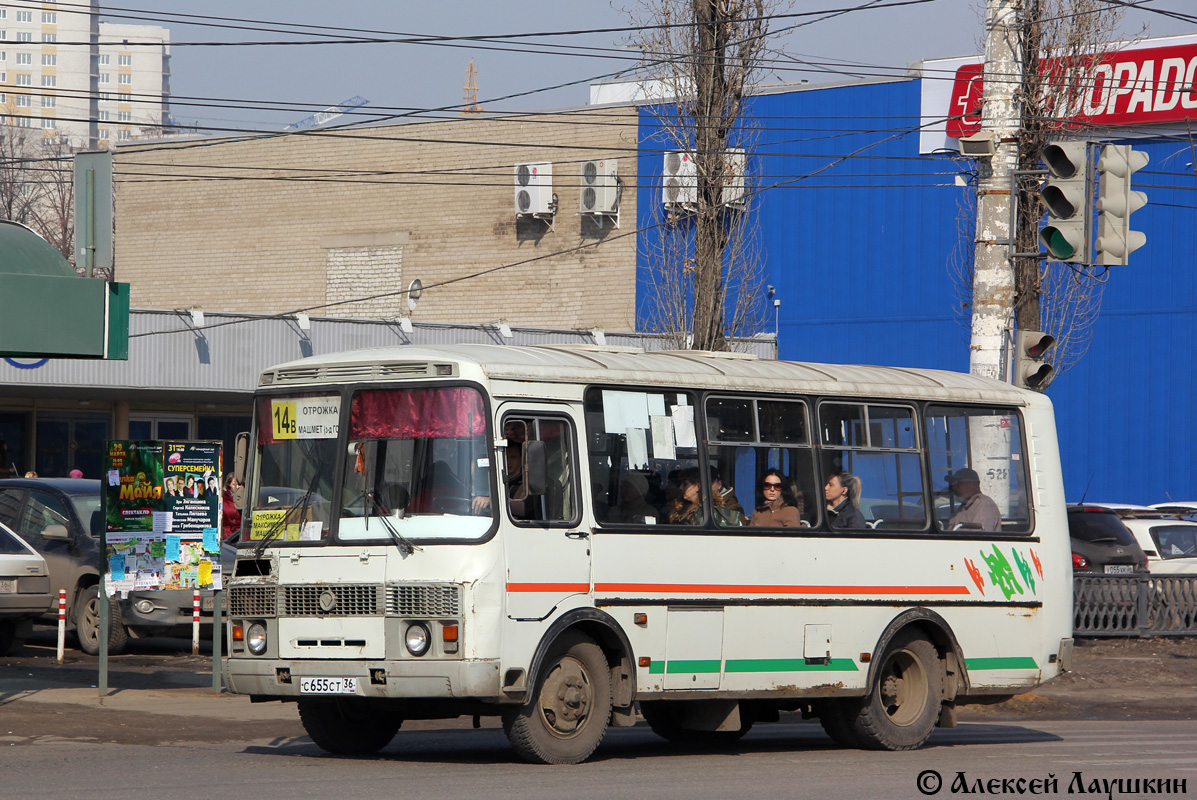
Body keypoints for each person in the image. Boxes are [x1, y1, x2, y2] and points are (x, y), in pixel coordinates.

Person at [945, 467, 1002, 532]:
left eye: (959, 482)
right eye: (953, 483)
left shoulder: (983, 505)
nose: (954, 486)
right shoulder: (964, 506)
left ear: (974, 484)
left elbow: (978, 538)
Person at [221, 472, 243, 540]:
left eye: (239, 484)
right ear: (229, 485)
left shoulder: (249, 498)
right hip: (228, 537)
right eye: (234, 484)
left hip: (242, 535)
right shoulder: (223, 499)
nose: (237, 487)